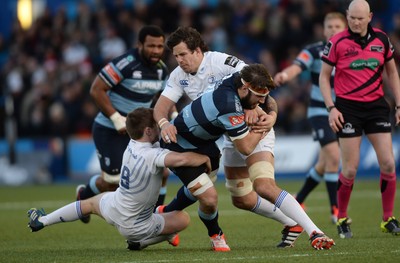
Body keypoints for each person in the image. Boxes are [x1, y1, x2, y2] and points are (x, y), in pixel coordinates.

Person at [157, 57, 335, 251]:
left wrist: (270, 118)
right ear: (244, 88)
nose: (262, 101)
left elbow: (267, 101)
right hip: (236, 136)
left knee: (264, 186)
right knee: (241, 198)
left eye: (185, 54)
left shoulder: (237, 74)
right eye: (177, 55)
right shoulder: (226, 103)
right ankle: (292, 222)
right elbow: (244, 146)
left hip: (255, 131)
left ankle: (315, 232)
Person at [27, 107, 212, 250]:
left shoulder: (132, 143)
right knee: (183, 219)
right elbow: (182, 159)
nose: (159, 127)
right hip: (136, 225)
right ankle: (141, 243)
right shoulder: (151, 155)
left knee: (89, 204)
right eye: (156, 125)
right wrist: (205, 158)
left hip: (115, 204)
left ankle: (43, 221)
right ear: (148, 131)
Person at [319, 0, 400, 239]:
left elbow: (392, 73)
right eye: (352, 17)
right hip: (347, 109)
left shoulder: (382, 40)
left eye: (360, 18)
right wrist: (331, 108)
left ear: (370, 17)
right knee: (351, 169)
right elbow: (325, 78)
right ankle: (342, 218)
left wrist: (398, 103)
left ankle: (388, 219)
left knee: (388, 164)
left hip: (376, 107)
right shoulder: (337, 42)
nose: (355, 22)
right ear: (347, 16)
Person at [75, 25, 170, 224]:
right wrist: (117, 119)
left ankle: (154, 216)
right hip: (109, 129)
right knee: (112, 182)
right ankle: (84, 194)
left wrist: (171, 116)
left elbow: (163, 98)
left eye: (159, 46)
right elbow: (96, 90)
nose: (155, 50)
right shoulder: (125, 64)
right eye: (151, 45)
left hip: (138, 131)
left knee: (163, 170)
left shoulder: (161, 70)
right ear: (140, 44)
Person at [274, 12, 347, 224]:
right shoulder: (315, 51)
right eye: (330, 26)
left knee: (325, 163)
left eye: (337, 26)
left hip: (345, 111)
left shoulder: (353, 52)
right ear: (323, 31)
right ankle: (336, 210)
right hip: (319, 111)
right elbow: (297, 66)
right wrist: (284, 75)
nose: (333, 30)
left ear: (345, 29)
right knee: (333, 157)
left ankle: (300, 199)